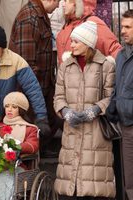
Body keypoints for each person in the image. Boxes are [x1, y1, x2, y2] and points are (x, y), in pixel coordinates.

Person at [53, 21, 116, 199]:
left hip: (96, 133)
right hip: (71, 131)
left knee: (93, 184)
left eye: (75, 41)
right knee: (69, 186)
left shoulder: (106, 66)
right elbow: (58, 96)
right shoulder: (65, 66)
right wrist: (65, 111)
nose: (71, 45)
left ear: (87, 43)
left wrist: (95, 110)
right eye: (71, 41)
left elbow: (111, 96)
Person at [9, 0, 63, 157]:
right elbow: (25, 63)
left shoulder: (38, 15)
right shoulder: (29, 18)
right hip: (33, 91)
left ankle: (42, 150)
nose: (59, 6)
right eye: (58, 2)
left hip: (43, 86)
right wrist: (35, 94)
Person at [106, 10, 133, 200]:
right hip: (126, 125)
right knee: (129, 179)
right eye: (122, 26)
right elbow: (119, 86)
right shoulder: (122, 55)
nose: (122, 31)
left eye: (128, 27)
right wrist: (113, 105)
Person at [57, 0, 122, 65]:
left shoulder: (93, 22)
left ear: (77, 3)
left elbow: (114, 49)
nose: (63, 4)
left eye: (66, 1)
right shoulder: (66, 25)